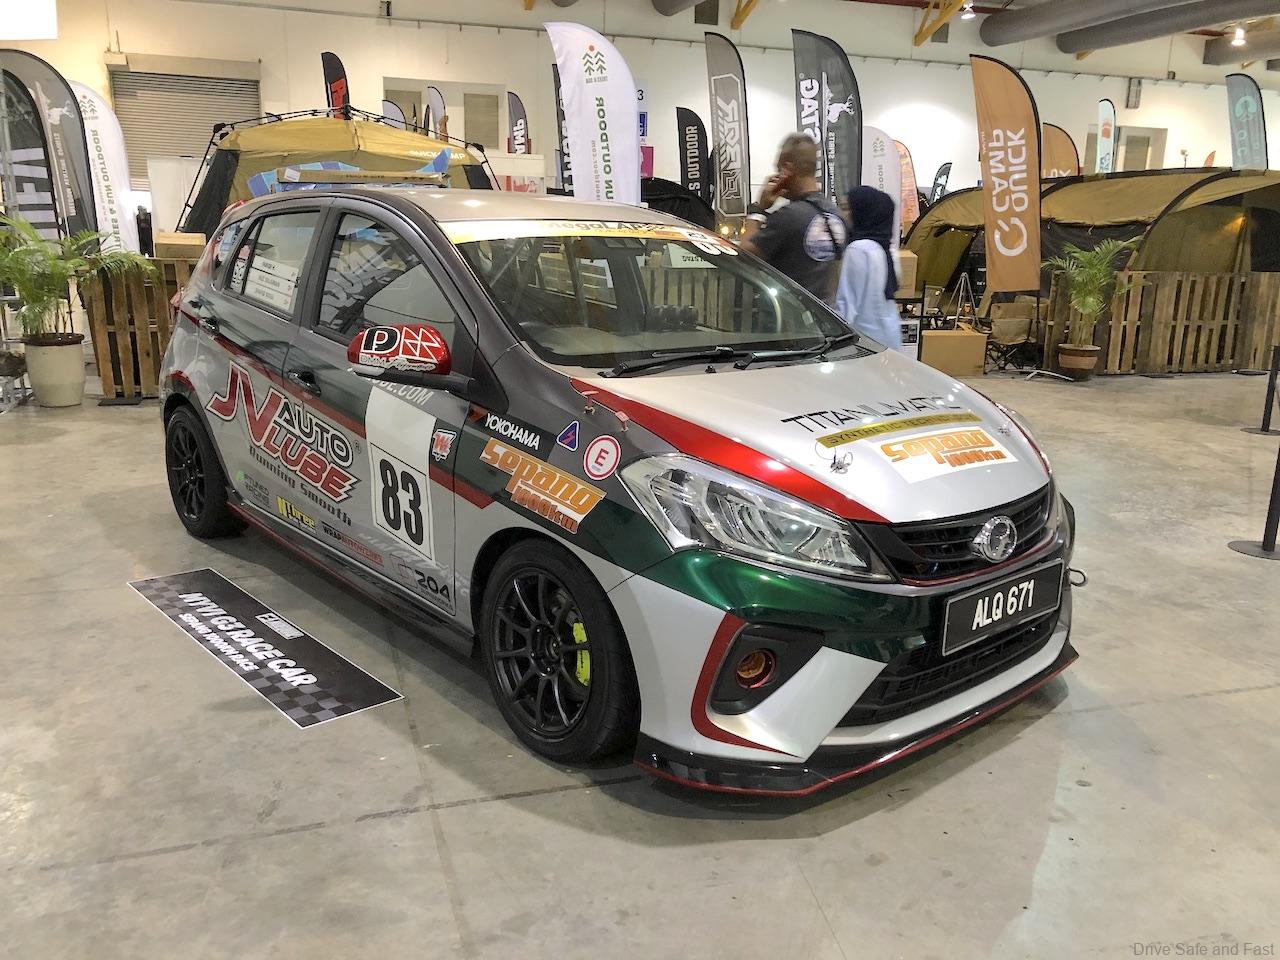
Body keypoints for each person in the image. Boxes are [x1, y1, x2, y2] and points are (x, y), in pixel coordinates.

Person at [740, 134, 847, 303]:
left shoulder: (788, 216)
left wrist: (757, 210)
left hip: (791, 315)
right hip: (827, 314)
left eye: (779, 170)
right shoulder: (837, 215)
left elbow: (744, 254)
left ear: (787, 169)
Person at [836, 185, 902, 350]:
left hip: (865, 341)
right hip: (890, 334)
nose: (843, 214)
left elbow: (847, 304)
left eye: (848, 208)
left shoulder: (859, 249)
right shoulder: (887, 249)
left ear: (863, 212)